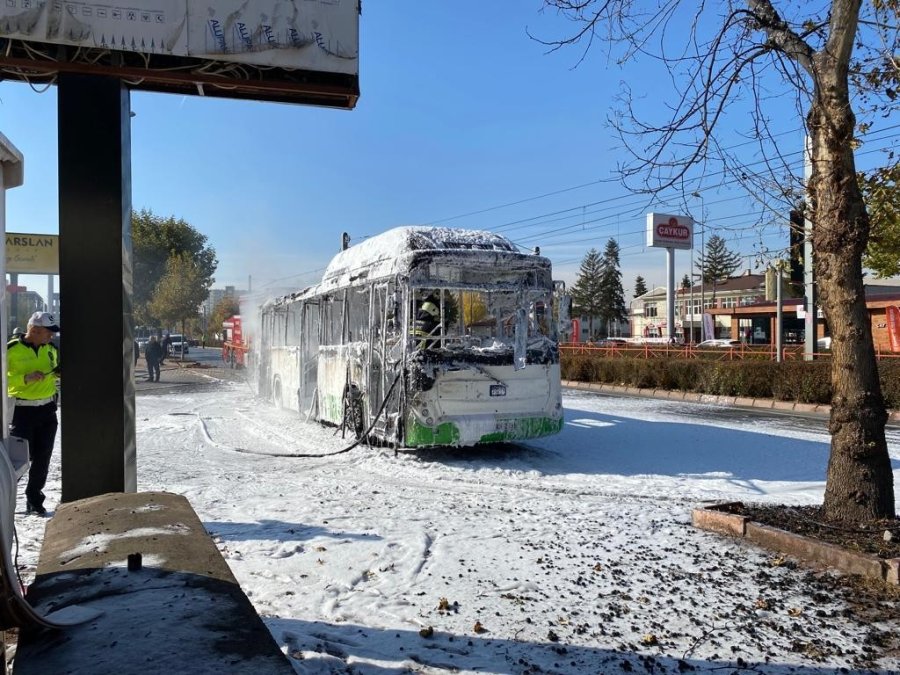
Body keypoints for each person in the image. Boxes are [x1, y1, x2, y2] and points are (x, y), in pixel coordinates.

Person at [7, 311, 61, 516]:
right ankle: (5, 499)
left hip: (47, 411)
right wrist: (24, 379)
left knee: (43, 458)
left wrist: (58, 373)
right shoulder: (10, 350)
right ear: (35, 330)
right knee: (19, 459)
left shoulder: (50, 349)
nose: (52, 336)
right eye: (49, 332)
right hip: (22, 412)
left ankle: (34, 498)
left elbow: (53, 372)